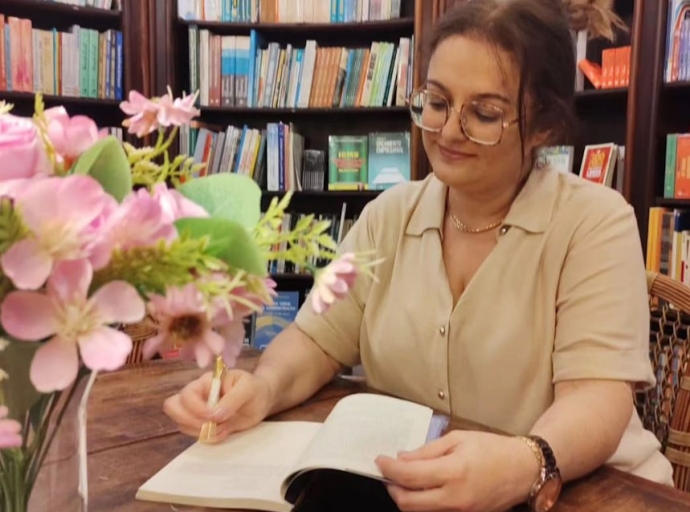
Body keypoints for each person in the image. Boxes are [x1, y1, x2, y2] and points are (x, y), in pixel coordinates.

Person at [163, 0, 675, 510]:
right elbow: (316, 341)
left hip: (594, 492)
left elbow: (597, 398)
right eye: (437, 101)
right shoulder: (386, 216)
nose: (450, 131)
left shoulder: (596, 222)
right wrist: (262, 389)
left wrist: (524, 463)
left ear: (542, 126)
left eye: (485, 113)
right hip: (424, 492)